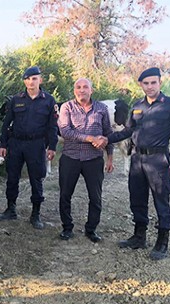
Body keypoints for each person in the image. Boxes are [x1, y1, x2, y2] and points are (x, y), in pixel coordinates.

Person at [103, 67, 170, 260]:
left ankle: (162, 242)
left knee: (161, 199)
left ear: (160, 83)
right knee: (137, 199)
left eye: (153, 82)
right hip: (137, 159)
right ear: (141, 85)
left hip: (158, 161)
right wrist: (105, 139)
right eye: (146, 83)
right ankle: (139, 236)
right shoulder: (137, 106)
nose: (149, 87)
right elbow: (127, 131)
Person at [0, 66, 59, 229]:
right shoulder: (16, 100)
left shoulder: (49, 100)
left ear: (40, 80)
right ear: (24, 81)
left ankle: (35, 215)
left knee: (36, 179)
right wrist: (3, 144)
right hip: (16, 143)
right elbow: (6, 123)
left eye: (34, 78)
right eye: (28, 79)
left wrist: (52, 146)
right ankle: (11, 209)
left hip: (36, 144)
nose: (31, 82)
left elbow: (52, 126)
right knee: (12, 177)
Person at [57, 78, 114, 243]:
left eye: (85, 87)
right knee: (65, 195)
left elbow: (107, 133)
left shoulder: (102, 109)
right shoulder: (66, 107)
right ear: (74, 90)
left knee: (95, 197)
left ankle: (91, 229)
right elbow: (66, 132)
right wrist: (90, 138)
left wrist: (110, 156)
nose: (81, 90)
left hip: (94, 159)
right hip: (70, 158)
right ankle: (67, 227)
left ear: (91, 90)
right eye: (78, 87)